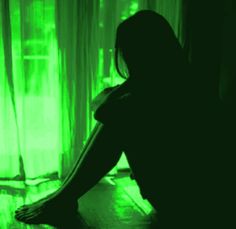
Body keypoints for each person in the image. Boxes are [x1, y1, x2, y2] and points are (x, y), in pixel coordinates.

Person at [15, 10, 234, 228]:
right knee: (117, 115)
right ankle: (63, 195)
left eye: (131, 52)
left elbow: (102, 111)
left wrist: (130, 84)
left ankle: (63, 197)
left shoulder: (173, 89)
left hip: (187, 203)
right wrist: (132, 84)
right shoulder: (177, 79)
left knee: (118, 118)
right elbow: (98, 104)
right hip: (187, 196)